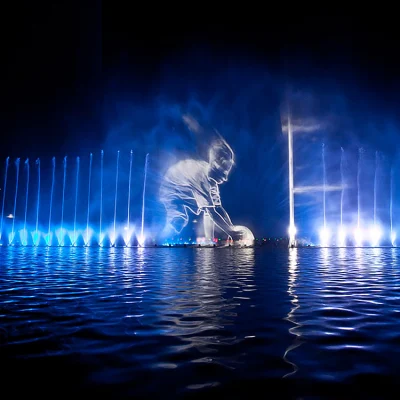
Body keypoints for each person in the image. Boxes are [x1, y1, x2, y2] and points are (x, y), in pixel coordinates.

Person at [160, 134, 254, 243]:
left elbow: (218, 208)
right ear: (215, 163)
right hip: (171, 190)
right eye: (223, 171)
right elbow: (212, 212)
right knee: (178, 221)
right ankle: (157, 241)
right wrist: (231, 233)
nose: (225, 178)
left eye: (227, 172)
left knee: (208, 209)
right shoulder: (201, 178)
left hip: (184, 188)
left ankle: (209, 241)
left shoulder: (211, 181)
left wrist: (230, 228)